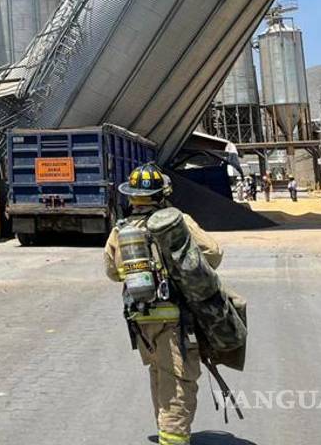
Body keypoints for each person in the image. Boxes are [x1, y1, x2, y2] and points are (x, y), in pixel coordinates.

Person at [104, 163, 222, 445]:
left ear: (131, 196)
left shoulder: (121, 230)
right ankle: (173, 439)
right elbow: (214, 254)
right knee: (179, 383)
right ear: (162, 194)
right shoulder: (177, 221)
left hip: (141, 320)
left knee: (159, 375)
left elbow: (111, 271)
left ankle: (165, 433)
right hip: (175, 320)